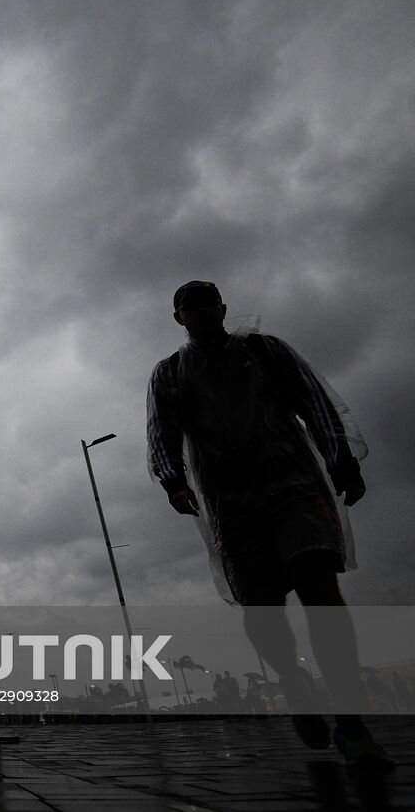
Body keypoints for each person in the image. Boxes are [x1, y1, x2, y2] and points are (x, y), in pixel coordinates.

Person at [146, 280, 391, 767]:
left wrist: (340, 460)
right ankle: (293, 680)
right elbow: (161, 432)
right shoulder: (170, 374)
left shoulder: (265, 351)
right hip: (232, 503)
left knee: (320, 591)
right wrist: (174, 482)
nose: (199, 311)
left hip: (292, 486)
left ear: (222, 307)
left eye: (207, 302)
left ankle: (351, 722)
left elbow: (312, 402)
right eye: (188, 306)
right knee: (263, 610)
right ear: (179, 318)